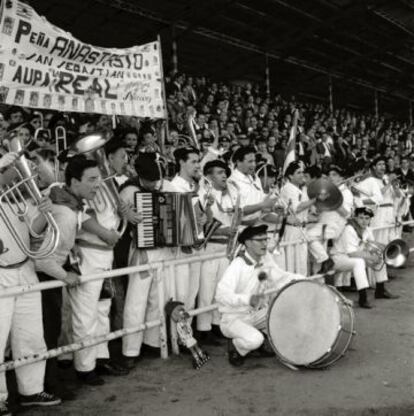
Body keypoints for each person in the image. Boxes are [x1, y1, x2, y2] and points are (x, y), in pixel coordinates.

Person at [0, 152, 61, 415]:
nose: (20, 174)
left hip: (24, 267)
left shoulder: (19, 197)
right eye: (12, 169)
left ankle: (31, 390)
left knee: (31, 334)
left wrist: (45, 214)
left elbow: (34, 231)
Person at [35, 156, 99, 389]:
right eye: (91, 179)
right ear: (74, 181)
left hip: (46, 275)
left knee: (51, 330)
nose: (97, 184)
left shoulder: (65, 203)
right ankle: (49, 385)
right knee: (49, 332)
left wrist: (73, 246)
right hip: (44, 277)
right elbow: (42, 260)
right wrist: (65, 276)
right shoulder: (67, 213)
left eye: (98, 179)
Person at [120, 152, 177, 368]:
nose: (154, 184)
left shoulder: (165, 187)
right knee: (136, 302)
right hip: (141, 251)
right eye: (149, 180)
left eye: (156, 179)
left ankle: (153, 342)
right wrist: (129, 215)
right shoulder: (129, 190)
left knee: (158, 299)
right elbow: (121, 212)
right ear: (139, 175)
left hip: (163, 251)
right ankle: (130, 350)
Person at [215, 224, 302, 366]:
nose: (264, 243)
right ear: (248, 243)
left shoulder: (265, 259)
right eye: (260, 240)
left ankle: (258, 340)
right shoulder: (237, 265)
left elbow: (281, 277)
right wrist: (248, 299)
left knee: (287, 313)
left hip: (255, 314)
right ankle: (237, 346)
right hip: (233, 318)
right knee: (255, 340)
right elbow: (221, 295)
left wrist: (304, 280)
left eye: (265, 239)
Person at [196, 160, 235, 344]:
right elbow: (202, 225)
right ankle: (203, 329)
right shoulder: (203, 194)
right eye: (219, 173)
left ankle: (216, 324)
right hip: (209, 247)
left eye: (225, 172)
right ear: (209, 176)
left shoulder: (227, 194)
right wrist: (222, 231)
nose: (224, 176)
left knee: (220, 289)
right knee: (206, 290)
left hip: (224, 247)